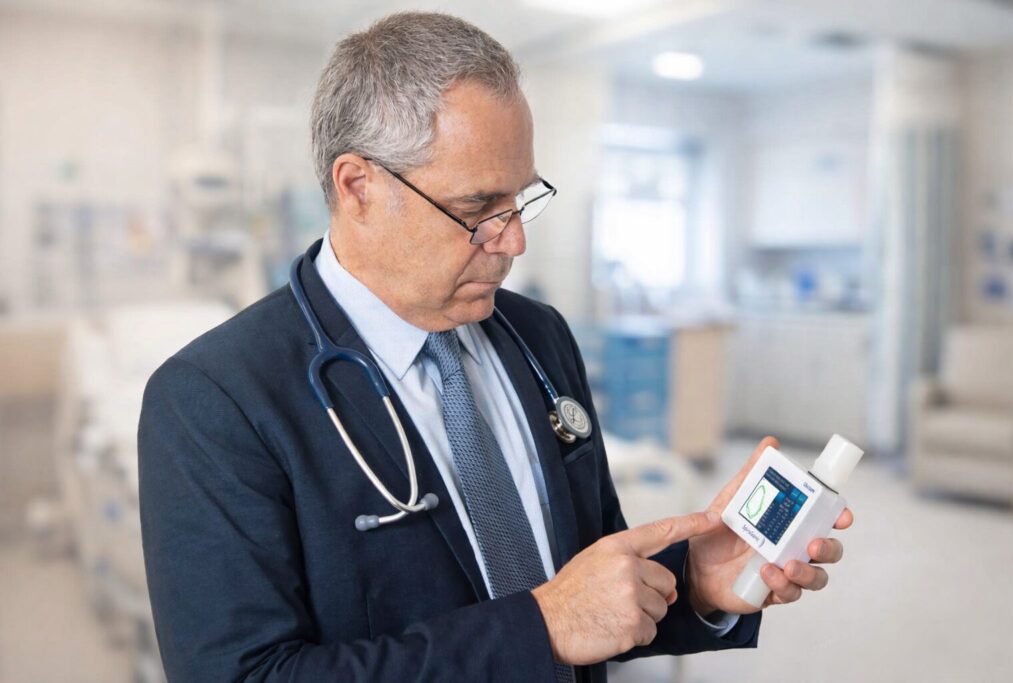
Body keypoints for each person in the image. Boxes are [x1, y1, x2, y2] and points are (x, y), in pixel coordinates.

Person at [138, 12, 853, 682]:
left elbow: (586, 577)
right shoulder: (216, 400)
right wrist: (537, 627)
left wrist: (692, 579)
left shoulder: (536, 336)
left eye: (521, 200)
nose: (514, 240)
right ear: (357, 187)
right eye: (478, 209)